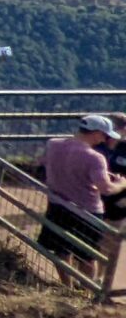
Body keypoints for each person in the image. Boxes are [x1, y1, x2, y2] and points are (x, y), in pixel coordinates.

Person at [39, 114, 120, 267]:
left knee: (61, 250)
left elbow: (44, 163)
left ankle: (66, 286)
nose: (104, 140)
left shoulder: (53, 144)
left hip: (58, 204)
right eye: (104, 135)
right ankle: (87, 290)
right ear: (96, 133)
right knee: (87, 254)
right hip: (87, 210)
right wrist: (122, 184)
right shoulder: (95, 157)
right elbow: (106, 188)